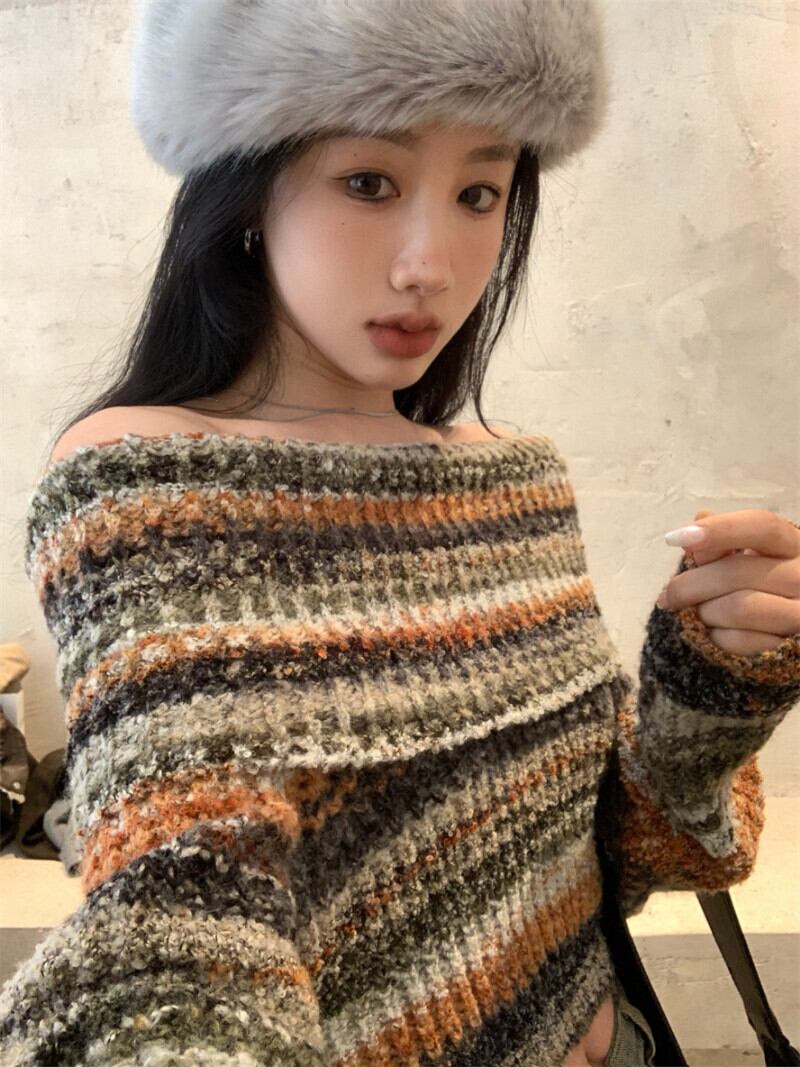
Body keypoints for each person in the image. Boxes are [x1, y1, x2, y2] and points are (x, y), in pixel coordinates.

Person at [2, 2, 798, 1065]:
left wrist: (712, 684)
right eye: (369, 182)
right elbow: (180, 907)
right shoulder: (145, 483)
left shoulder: (514, 475)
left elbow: (619, 848)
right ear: (248, 187)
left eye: (479, 193)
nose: (431, 264)